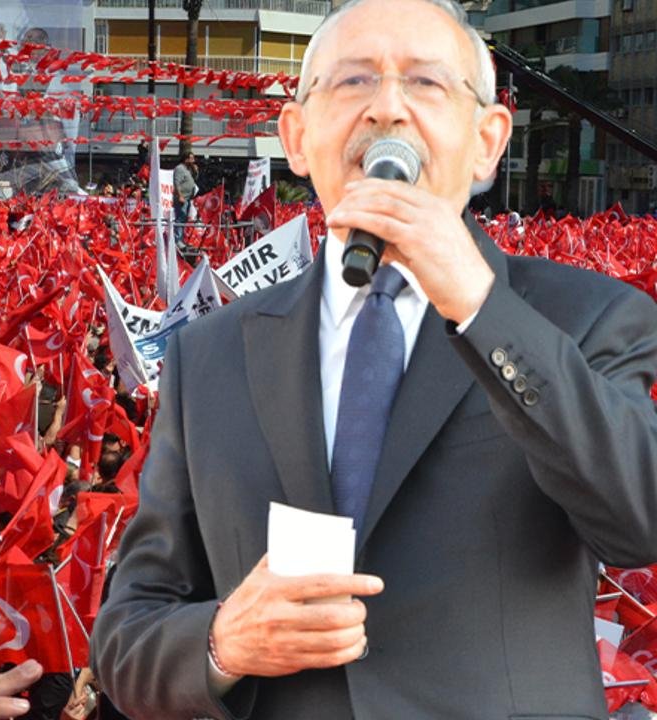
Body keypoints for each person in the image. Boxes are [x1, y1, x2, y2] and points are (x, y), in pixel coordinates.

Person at [90, 1, 657, 718]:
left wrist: (483, 308)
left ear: (487, 142)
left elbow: (637, 521)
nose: (387, 108)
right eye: (352, 82)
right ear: (296, 136)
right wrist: (222, 641)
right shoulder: (209, 353)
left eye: (426, 84)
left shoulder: (588, 319)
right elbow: (127, 633)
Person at [172, 151, 199, 245]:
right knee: (180, 218)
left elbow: (193, 180)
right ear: (186, 159)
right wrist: (179, 195)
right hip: (182, 198)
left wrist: (195, 171)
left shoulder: (188, 169)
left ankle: (181, 239)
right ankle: (177, 240)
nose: (193, 160)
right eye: (191, 158)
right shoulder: (179, 168)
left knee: (184, 219)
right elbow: (177, 183)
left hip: (187, 198)